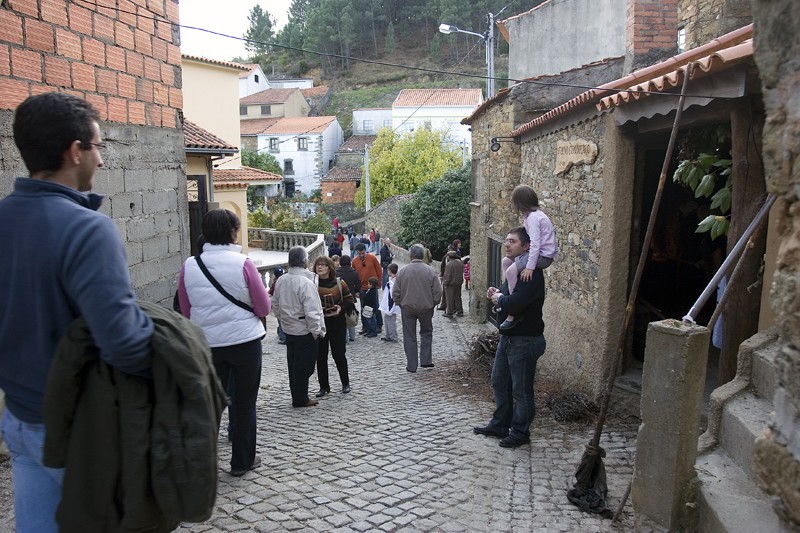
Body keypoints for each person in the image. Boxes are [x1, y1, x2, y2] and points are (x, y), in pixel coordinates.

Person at [0, 92, 155, 532]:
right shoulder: (88, 228)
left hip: (19, 419)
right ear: (74, 151)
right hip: (79, 429)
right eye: (98, 146)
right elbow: (124, 343)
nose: (101, 160)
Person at [178, 208, 271, 477]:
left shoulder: (189, 266)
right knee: (244, 403)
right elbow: (263, 307)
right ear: (232, 232)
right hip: (244, 342)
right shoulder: (243, 263)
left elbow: (185, 310)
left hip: (208, 345)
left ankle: (203, 465)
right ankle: (242, 462)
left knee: (210, 404)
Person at [474, 227, 547, 449]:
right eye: (506, 241)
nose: (507, 244)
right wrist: (499, 293)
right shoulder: (515, 268)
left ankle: (520, 432)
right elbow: (511, 296)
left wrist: (499, 299)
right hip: (510, 338)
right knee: (499, 381)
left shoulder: (530, 273)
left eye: (512, 241)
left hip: (525, 339)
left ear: (526, 247)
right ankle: (500, 424)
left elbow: (517, 302)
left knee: (521, 390)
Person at [272, 246, 326, 408]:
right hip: (304, 331)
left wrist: (282, 319)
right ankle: (300, 398)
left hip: (289, 329)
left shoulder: (282, 280)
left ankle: (298, 395)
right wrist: (317, 331)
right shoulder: (305, 283)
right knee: (304, 366)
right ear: (304, 261)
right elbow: (313, 311)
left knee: (293, 364)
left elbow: (275, 303)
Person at [500, 185, 558, 333]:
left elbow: (535, 244)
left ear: (520, 202)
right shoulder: (532, 216)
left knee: (512, 271)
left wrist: (530, 267)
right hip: (539, 254)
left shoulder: (533, 218)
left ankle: (514, 312)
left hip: (542, 257)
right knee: (506, 262)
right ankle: (508, 292)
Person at [392, 244, 443, 373]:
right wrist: (433, 303)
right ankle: (426, 360)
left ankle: (411, 365)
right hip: (426, 307)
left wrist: (400, 303)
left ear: (411, 255)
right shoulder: (430, 271)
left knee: (409, 335)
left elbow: (396, 292)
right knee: (426, 332)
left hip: (407, 308)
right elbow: (437, 291)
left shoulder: (403, 271)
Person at [312, 256, 355, 397]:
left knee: (339, 354)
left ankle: (345, 383)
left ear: (329, 267)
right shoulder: (312, 284)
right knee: (320, 356)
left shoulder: (339, 282)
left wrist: (340, 308)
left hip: (337, 323)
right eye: (318, 265)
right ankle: (324, 387)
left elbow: (350, 300)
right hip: (320, 323)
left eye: (323, 265)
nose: (320, 267)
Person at [353, 243, 383, 333]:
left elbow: (379, 270)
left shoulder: (372, 258)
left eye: (362, 253)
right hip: (362, 287)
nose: (361, 255)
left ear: (365, 251)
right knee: (363, 307)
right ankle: (365, 326)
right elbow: (354, 276)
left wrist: (379, 283)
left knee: (376, 306)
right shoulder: (354, 261)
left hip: (373, 286)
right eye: (359, 254)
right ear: (357, 252)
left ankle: (379, 325)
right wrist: (356, 290)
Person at [336, 255, 362, 342]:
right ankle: (352, 336)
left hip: (339, 297)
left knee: (342, 317)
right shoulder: (354, 272)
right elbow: (358, 284)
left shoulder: (336, 273)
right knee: (351, 315)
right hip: (350, 297)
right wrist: (355, 292)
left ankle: (344, 337)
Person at [379, 264, 401, 342]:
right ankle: (388, 335)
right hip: (389, 304)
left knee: (391, 321)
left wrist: (390, 307)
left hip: (392, 305)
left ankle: (393, 337)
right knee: (387, 320)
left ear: (390, 271)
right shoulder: (392, 280)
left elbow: (392, 296)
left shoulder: (393, 282)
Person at [442, 251, 464, 318]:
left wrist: (445, 283)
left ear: (449, 257)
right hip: (458, 283)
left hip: (451, 284)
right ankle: (459, 311)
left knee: (450, 298)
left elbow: (448, 275)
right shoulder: (460, 263)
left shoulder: (449, 264)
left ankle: (449, 312)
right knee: (458, 297)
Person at [269, 267, 287, 344]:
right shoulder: (285, 281)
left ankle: (283, 337)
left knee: (280, 320)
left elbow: (270, 293)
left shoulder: (276, 283)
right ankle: (283, 335)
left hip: (280, 304)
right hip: (286, 303)